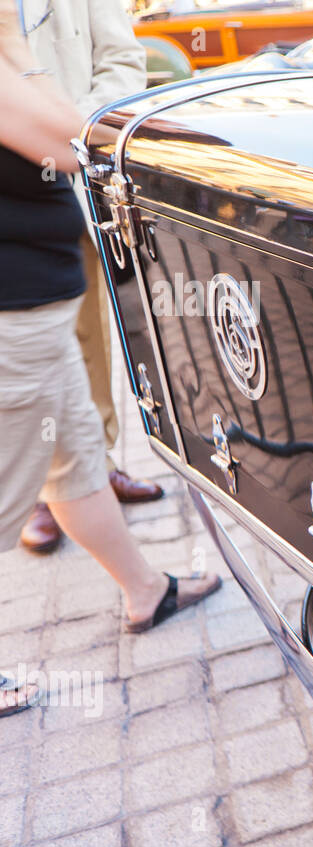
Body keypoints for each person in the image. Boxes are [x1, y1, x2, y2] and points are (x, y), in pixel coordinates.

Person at [0, 9, 221, 717]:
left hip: (38, 308)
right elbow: (69, 143)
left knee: (72, 456)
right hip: (12, 318)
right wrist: (13, 48)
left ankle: (146, 592)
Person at [16, 0, 165, 554]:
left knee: (89, 335)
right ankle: (37, 489)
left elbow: (122, 60)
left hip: (71, 173)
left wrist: (69, 129)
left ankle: (96, 468)